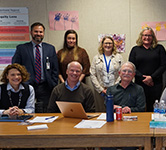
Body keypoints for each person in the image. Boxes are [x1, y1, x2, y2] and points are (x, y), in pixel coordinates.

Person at [12, 22, 58, 113]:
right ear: (31, 32)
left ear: (43, 33)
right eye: (36, 31)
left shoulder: (50, 48)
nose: (38, 34)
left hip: (46, 86)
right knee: (27, 112)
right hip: (27, 86)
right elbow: (15, 67)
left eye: (40, 32)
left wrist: (53, 83)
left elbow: (55, 68)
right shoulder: (22, 48)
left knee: (45, 113)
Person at [129, 27, 166, 112]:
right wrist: (143, 79)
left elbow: (163, 65)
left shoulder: (159, 48)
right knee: (139, 106)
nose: (147, 37)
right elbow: (131, 66)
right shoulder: (135, 49)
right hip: (139, 84)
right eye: (145, 35)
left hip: (155, 83)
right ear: (141, 36)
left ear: (153, 37)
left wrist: (151, 78)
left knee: (153, 107)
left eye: (149, 35)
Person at [90, 36, 124, 112]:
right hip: (100, 91)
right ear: (102, 45)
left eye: (110, 43)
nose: (108, 45)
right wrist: (101, 89)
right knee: (101, 111)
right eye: (106, 43)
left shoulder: (119, 57)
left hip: (115, 90)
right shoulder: (96, 58)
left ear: (113, 45)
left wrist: (114, 88)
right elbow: (92, 74)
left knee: (114, 111)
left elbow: (122, 73)